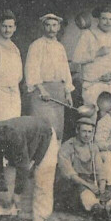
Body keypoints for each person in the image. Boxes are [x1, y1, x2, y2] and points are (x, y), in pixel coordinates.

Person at [57, 117, 111, 221]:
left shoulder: (93, 147)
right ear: (77, 131)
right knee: (86, 195)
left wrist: (101, 186)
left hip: (90, 182)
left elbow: (100, 170)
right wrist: (90, 186)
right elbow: (70, 175)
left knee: (106, 195)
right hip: (72, 184)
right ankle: (100, 212)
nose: (87, 135)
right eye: (84, 131)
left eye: (90, 132)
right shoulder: (67, 147)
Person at [25, 13, 74, 141]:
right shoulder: (36, 45)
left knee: (56, 130)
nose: (51, 29)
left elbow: (65, 70)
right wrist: (42, 90)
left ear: (59, 27)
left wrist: (68, 93)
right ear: (43, 27)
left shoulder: (60, 47)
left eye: (54, 25)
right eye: (48, 25)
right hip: (42, 92)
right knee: (42, 130)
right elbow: (32, 70)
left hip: (58, 93)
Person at [72, 6, 111, 108]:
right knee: (92, 114)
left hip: (110, 85)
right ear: (98, 20)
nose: (108, 22)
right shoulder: (87, 35)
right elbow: (76, 58)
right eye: (104, 19)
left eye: (110, 19)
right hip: (92, 85)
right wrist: (97, 53)